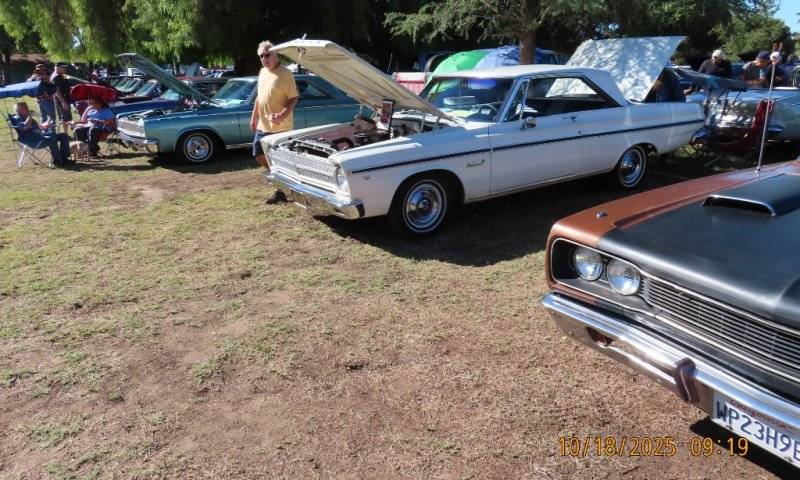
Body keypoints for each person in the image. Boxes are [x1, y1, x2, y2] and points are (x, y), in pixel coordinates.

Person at [250, 40, 299, 204]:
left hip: (281, 126)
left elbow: (294, 98)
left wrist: (282, 115)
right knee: (259, 154)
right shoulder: (262, 71)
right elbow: (259, 97)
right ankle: (282, 184)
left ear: (276, 54)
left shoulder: (286, 74)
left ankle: (282, 190)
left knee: (281, 159)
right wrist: (254, 117)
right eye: (261, 56)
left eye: (267, 55)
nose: (264, 58)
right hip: (263, 125)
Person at [10, 101, 71, 167]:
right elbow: (24, 127)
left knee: (63, 136)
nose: (27, 109)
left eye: (27, 107)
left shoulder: (30, 119)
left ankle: (64, 158)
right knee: (52, 137)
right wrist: (30, 116)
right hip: (32, 140)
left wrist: (45, 126)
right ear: (19, 111)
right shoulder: (17, 119)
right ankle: (57, 160)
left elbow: (37, 130)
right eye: (25, 108)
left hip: (39, 137)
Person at [27, 64, 60, 131]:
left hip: (40, 99)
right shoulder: (41, 77)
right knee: (51, 116)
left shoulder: (33, 77)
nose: (45, 71)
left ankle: (44, 131)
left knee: (43, 116)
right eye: (44, 70)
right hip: (47, 99)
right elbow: (51, 86)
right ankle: (52, 131)